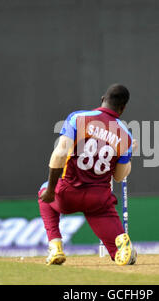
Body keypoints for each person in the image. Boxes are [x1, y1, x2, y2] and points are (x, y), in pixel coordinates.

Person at [38, 84, 137, 266]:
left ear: (102, 99)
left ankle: (55, 246)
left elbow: (60, 153)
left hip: (69, 193)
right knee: (119, 254)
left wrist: (51, 189)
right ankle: (123, 250)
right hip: (99, 200)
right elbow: (118, 176)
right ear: (123, 108)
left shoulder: (78, 118)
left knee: (43, 191)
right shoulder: (126, 135)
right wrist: (129, 156)